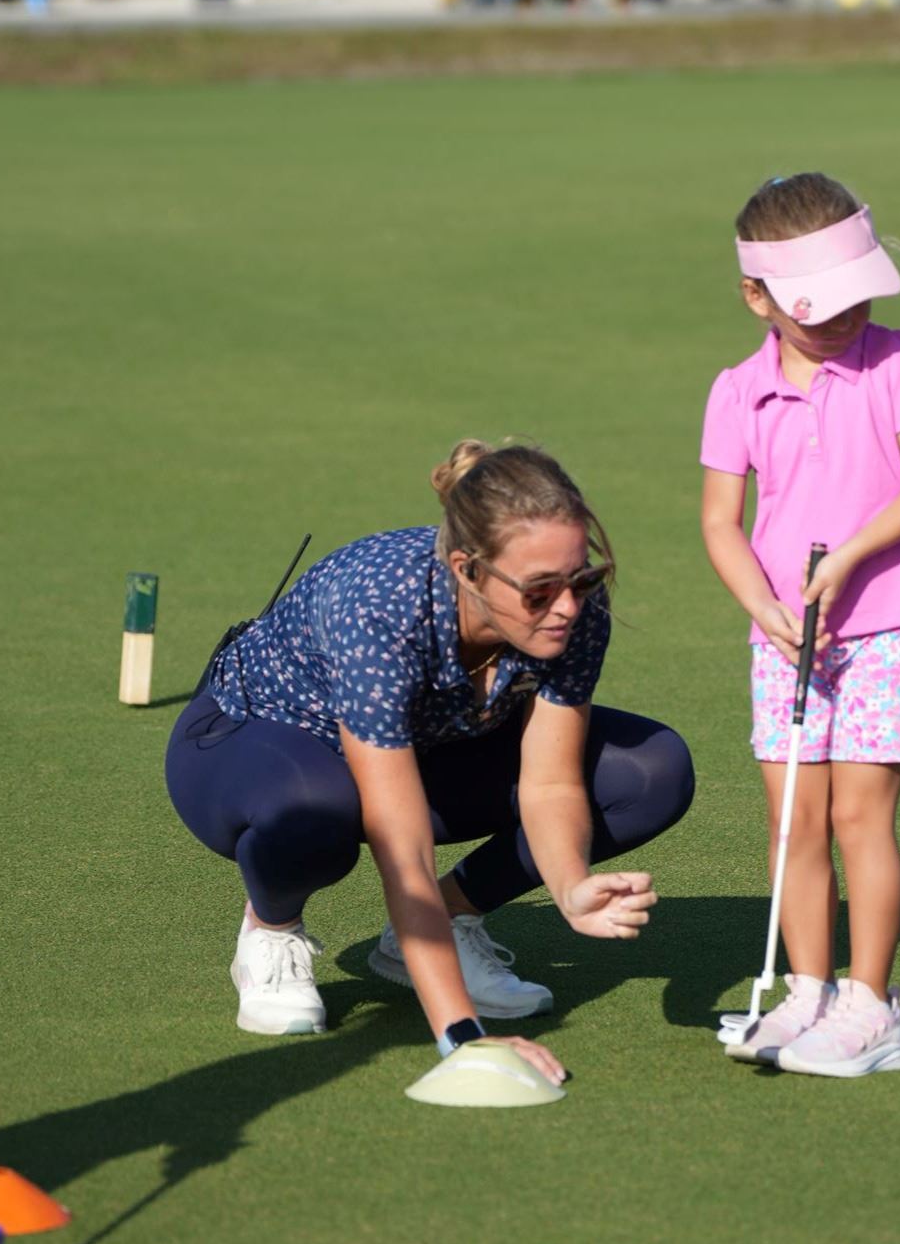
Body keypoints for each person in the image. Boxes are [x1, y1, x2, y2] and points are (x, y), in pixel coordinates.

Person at [166, 441, 695, 1087]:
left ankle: (446, 918)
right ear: (467, 570)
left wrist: (571, 886)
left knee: (652, 772)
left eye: (584, 579)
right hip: (252, 742)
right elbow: (402, 839)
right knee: (318, 812)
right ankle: (271, 930)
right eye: (540, 591)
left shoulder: (572, 611)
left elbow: (552, 781)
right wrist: (460, 1033)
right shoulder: (379, 609)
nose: (568, 607)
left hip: (426, 744)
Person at [699, 173, 900, 1076]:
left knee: (858, 818)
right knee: (794, 823)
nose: (844, 319)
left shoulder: (899, 360)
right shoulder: (736, 391)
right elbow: (720, 523)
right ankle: (807, 993)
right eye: (820, 307)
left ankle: (871, 1006)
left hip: (883, 625)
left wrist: (847, 557)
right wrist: (760, 606)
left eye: (857, 299)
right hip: (786, 637)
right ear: (756, 296)